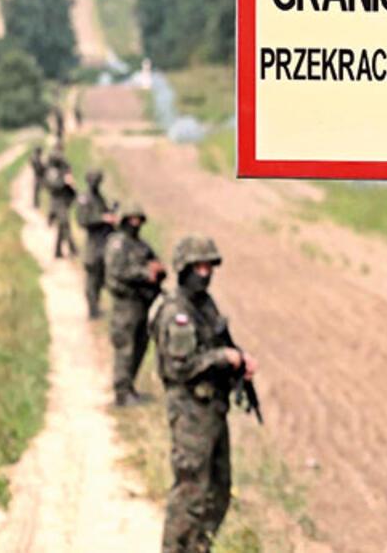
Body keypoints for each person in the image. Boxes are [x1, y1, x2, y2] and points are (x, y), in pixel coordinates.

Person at [152, 235, 255, 553]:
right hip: (190, 412)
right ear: (184, 269)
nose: (205, 273)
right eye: (198, 267)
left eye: (209, 266)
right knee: (191, 492)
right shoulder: (177, 312)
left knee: (219, 490)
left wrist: (239, 361)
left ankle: (197, 547)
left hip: (213, 409)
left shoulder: (204, 305)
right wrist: (223, 358)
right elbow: (179, 367)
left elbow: (214, 342)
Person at [104, 203, 165, 406]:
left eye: (138, 220)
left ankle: (129, 387)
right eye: (132, 219)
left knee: (140, 345)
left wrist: (157, 271)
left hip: (143, 303)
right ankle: (122, 392)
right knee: (125, 347)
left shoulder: (141, 245)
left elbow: (156, 265)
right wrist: (145, 273)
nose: (135, 223)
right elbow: (117, 272)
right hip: (126, 304)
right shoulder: (118, 243)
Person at [76, 170, 118, 319]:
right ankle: (92, 310)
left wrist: (111, 213)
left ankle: (96, 307)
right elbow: (83, 220)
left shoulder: (99, 197)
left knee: (101, 278)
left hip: (104, 242)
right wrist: (102, 218)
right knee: (92, 278)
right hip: (94, 244)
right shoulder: (85, 198)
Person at [44, 148, 78, 258]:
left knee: (62, 227)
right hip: (57, 201)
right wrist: (65, 181)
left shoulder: (63, 167)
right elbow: (54, 186)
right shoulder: (51, 171)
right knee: (65, 224)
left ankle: (58, 251)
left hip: (65, 200)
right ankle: (73, 249)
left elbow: (69, 177)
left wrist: (70, 182)